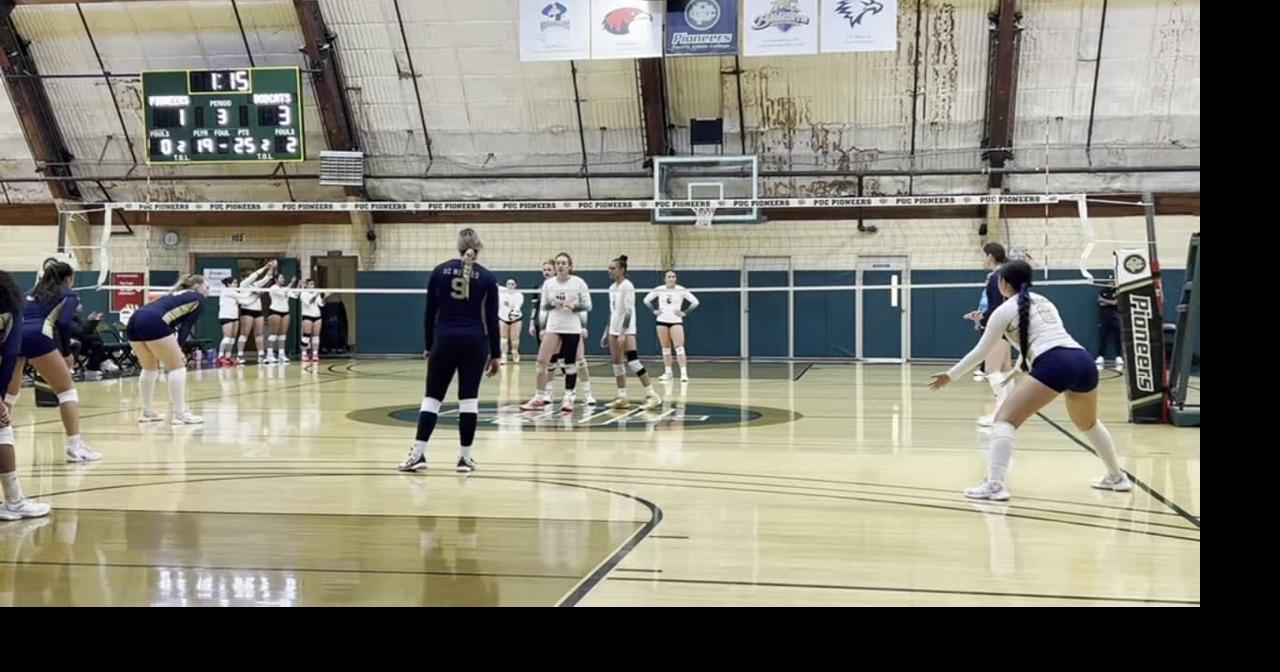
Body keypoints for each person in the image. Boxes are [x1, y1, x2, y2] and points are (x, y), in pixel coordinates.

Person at [929, 260, 1134, 501]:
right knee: (1089, 424)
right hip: (1083, 361)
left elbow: (981, 352)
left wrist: (950, 375)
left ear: (1004, 284)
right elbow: (1038, 339)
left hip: (1056, 363)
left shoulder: (1003, 311)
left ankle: (995, 485)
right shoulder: (1044, 301)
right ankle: (1117, 477)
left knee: (1004, 420)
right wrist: (1018, 369)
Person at [398, 229, 501, 474]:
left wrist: (428, 346)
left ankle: (417, 455)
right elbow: (492, 320)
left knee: (432, 399)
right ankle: (465, 459)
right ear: (478, 247)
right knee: (469, 400)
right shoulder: (487, 278)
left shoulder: (439, 271)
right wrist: (496, 354)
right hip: (475, 343)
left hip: (444, 341)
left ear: (458, 246)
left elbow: (429, 314)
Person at [127, 275, 210, 425]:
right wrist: (179, 348)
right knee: (178, 367)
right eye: (207, 287)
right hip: (153, 320)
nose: (209, 292)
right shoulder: (198, 298)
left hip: (135, 319)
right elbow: (186, 327)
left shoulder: (174, 294)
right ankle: (180, 414)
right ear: (197, 287)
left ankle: (147, 412)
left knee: (149, 367)